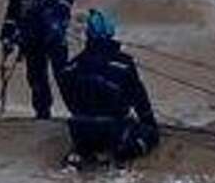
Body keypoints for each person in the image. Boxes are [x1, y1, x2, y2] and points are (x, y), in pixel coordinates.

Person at [63, 9, 160, 166]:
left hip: (79, 129)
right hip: (113, 129)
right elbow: (139, 98)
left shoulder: (72, 65)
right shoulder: (124, 63)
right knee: (150, 134)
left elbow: (69, 101)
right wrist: (149, 123)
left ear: (88, 34)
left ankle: (83, 151)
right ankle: (123, 153)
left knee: (87, 133)